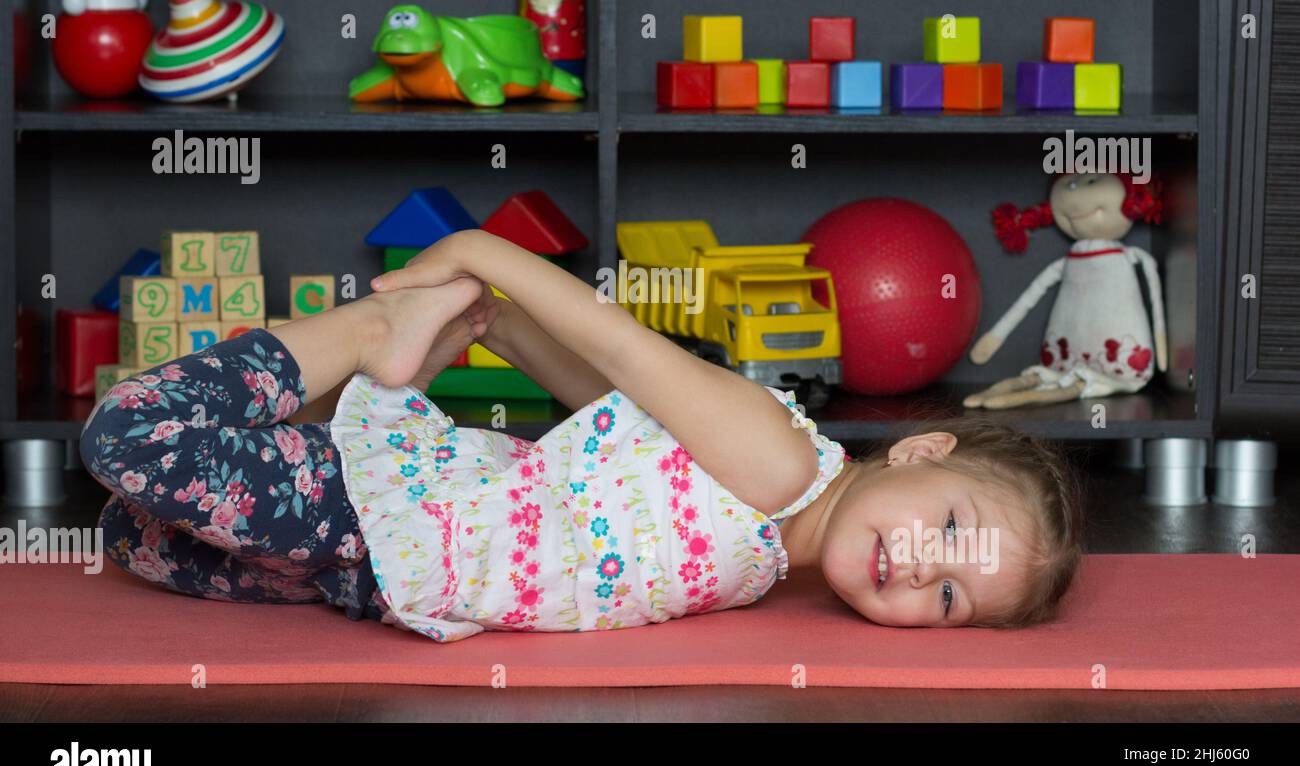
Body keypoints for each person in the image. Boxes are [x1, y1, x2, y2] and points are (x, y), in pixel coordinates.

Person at [82, 229, 1085, 642]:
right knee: (128, 437)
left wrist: (507, 330)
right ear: (919, 450)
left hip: (386, 577)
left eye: (950, 596)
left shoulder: (784, 550)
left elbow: (620, 418)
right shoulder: (783, 466)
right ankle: (359, 333)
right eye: (949, 527)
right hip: (395, 511)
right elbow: (627, 350)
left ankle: (365, 372)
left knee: (138, 539)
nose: (919, 566)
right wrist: (489, 257)